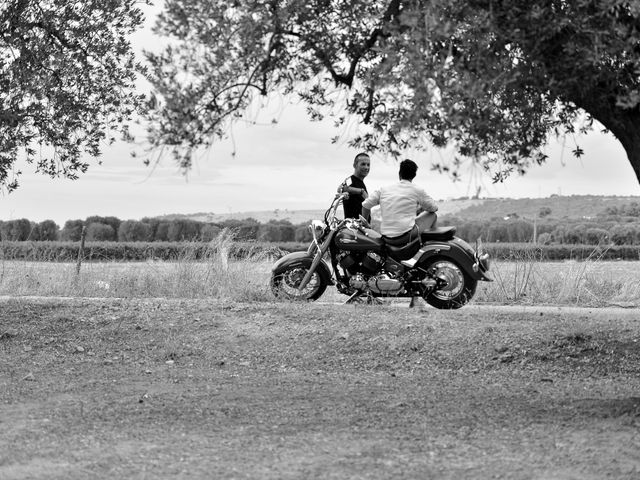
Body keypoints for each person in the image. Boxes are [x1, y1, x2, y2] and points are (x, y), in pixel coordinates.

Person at [361, 159, 438, 237]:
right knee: (432, 215)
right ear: (414, 175)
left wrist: (365, 225)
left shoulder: (384, 189)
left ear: (399, 173)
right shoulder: (416, 190)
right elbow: (434, 208)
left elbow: (365, 205)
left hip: (386, 236)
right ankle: (431, 244)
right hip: (406, 236)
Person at [338, 152, 370, 220]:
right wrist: (361, 191)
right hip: (353, 227)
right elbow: (341, 188)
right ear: (355, 165)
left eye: (368, 165)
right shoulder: (350, 180)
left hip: (362, 227)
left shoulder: (361, 183)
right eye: (363, 164)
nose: (366, 167)